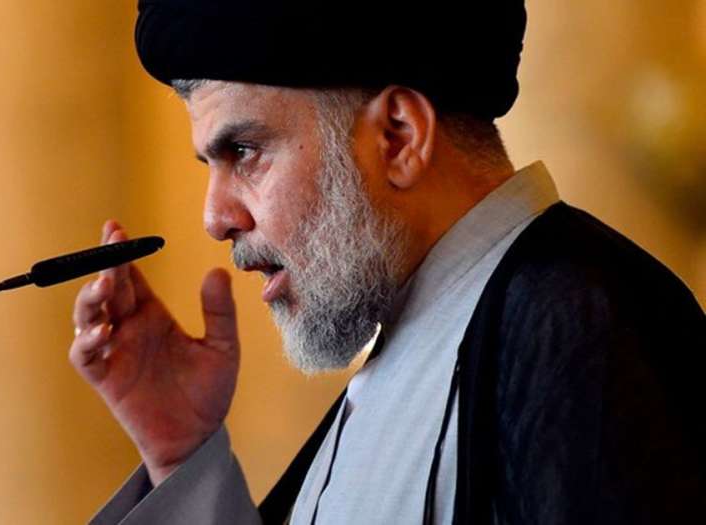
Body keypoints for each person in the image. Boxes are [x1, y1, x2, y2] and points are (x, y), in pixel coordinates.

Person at [68, 1, 706, 523]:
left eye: (245, 150)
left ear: (398, 136)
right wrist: (182, 452)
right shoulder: (428, 331)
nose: (215, 218)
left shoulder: (581, 327)